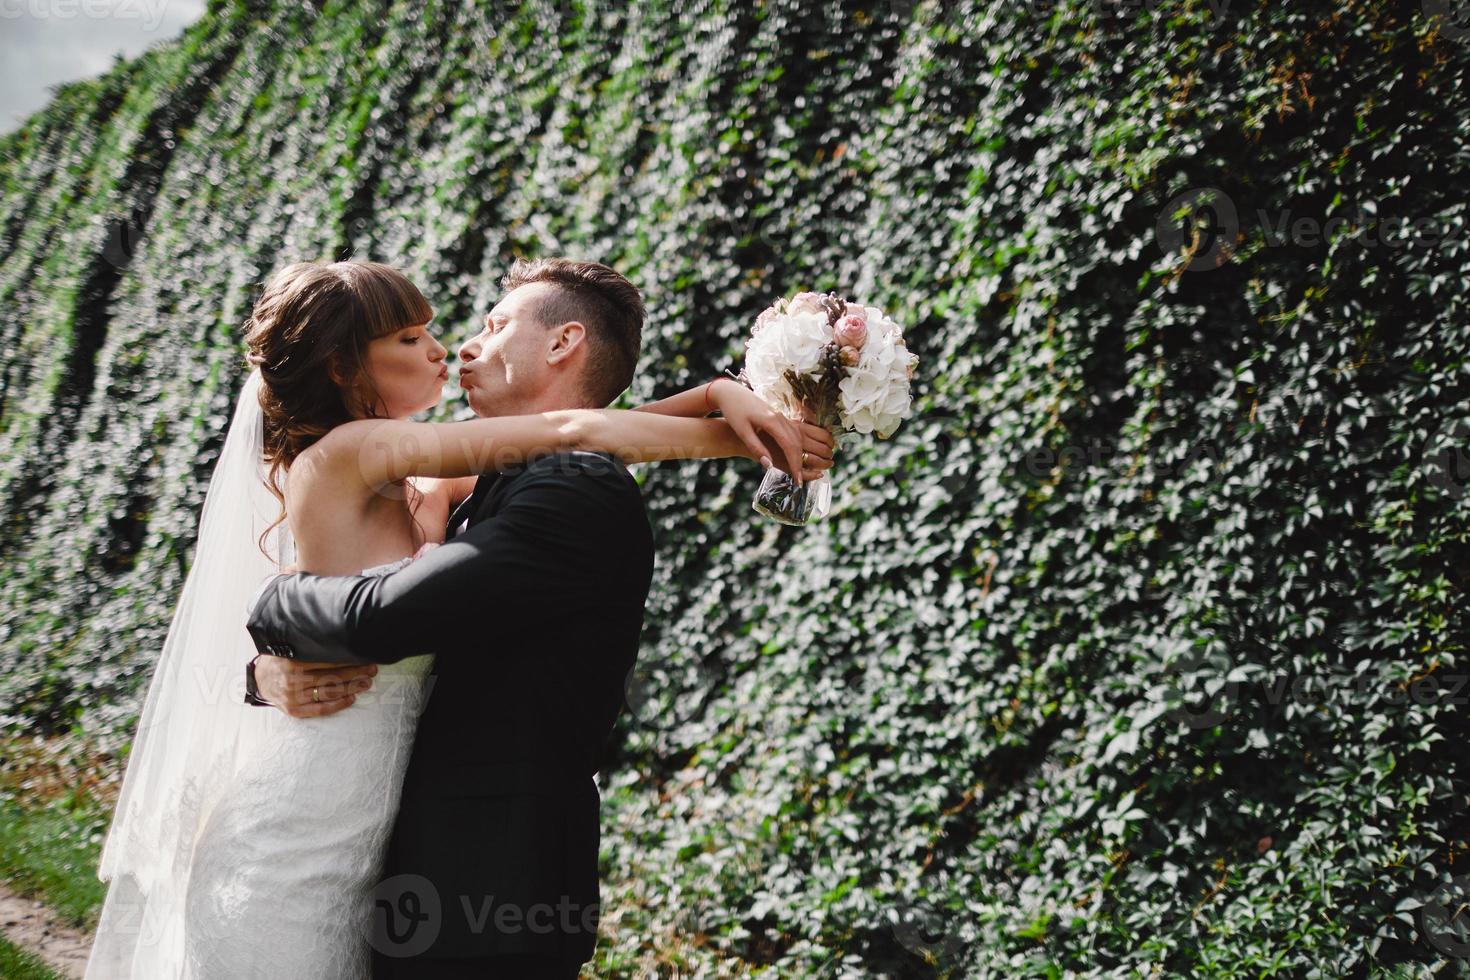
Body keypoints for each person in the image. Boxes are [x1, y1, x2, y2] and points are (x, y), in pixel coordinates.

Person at [85, 258, 833, 979]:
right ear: (347, 368)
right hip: (305, 818)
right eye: (410, 339)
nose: (448, 348)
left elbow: (575, 440)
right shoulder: (351, 452)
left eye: (465, 327)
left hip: (385, 840)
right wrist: (730, 425)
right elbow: (572, 435)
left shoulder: (430, 480)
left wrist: (720, 406)